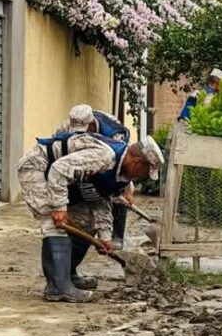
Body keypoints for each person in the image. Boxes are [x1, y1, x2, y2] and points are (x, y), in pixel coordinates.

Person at [17, 130, 164, 302]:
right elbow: (58, 170)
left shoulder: (120, 173)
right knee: (55, 223)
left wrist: (105, 236)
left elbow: (99, 199)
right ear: (138, 163)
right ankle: (58, 287)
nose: (143, 177)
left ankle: (68, 274)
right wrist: (58, 206)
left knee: (85, 222)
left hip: (61, 179)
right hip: (38, 167)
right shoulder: (104, 157)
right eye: (146, 172)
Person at [55, 105, 136, 251]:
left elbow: (125, 164)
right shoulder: (66, 127)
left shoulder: (115, 134)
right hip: (81, 166)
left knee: (115, 193)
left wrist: (127, 188)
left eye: (84, 132)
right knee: (81, 208)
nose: (80, 136)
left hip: (111, 164)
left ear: (91, 125)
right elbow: (58, 152)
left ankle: (116, 236)